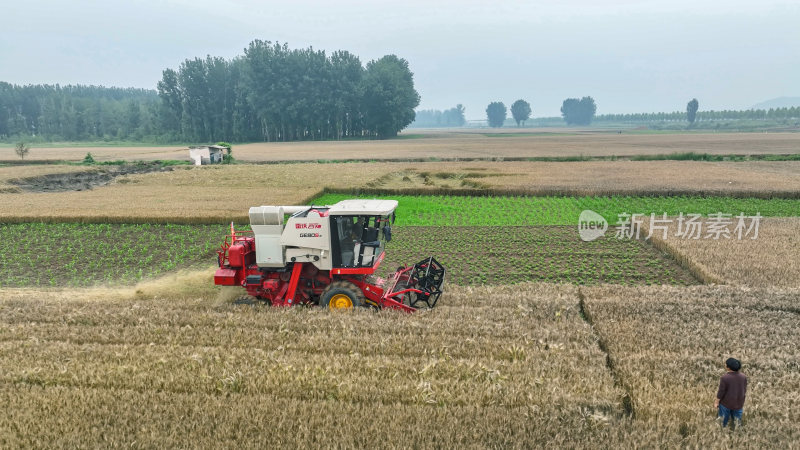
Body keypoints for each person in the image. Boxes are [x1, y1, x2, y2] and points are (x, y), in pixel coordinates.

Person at [715, 357, 747, 430]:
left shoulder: (725, 377)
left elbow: (721, 391)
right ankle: (737, 432)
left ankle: (722, 432)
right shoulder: (743, 376)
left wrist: (716, 402)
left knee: (723, 421)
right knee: (737, 421)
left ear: (728, 367)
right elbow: (744, 388)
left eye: (725, 364)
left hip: (726, 403)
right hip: (739, 402)